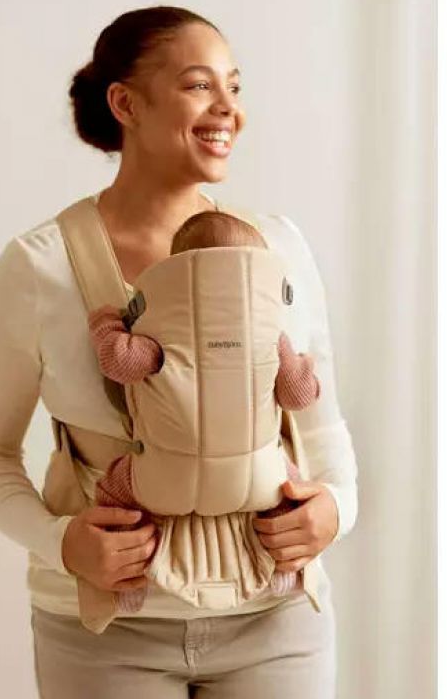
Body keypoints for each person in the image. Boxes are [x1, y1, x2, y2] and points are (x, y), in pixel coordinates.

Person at [0, 5, 358, 699]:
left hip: (277, 620)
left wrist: (335, 512)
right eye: (200, 86)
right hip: (107, 629)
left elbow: (320, 425)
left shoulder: (279, 248)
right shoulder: (40, 266)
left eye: (234, 87)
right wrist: (61, 542)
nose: (228, 109)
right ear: (126, 103)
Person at [88, 208, 322, 615]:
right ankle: (286, 567)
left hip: (163, 479)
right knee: (293, 488)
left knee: (112, 493)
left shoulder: (161, 337)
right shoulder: (272, 338)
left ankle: (130, 575)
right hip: (261, 478)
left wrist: (106, 324)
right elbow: (297, 396)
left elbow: (118, 362)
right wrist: (303, 366)